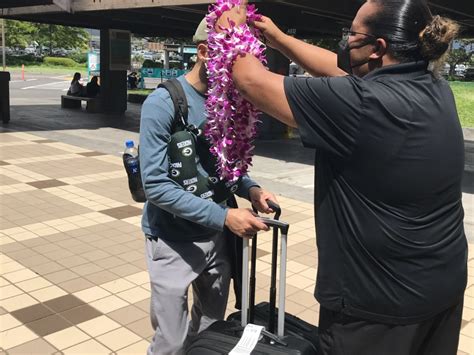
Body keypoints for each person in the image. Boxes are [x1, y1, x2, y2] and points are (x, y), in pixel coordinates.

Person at [217, 0, 468, 354]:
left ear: (378, 48)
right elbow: (338, 70)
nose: (345, 41)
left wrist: (228, 26)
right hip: (441, 286)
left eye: (352, 34)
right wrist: (278, 39)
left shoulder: (360, 104)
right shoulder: (433, 86)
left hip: (377, 308)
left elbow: (249, 80)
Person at [139, 18, 276, 355]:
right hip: (172, 239)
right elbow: (155, 186)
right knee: (171, 341)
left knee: (211, 329)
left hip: (216, 239)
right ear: (203, 52)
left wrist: (253, 190)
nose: (241, 74)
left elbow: (226, 167)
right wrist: (226, 217)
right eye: (233, 63)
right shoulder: (163, 103)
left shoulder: (227, 102)